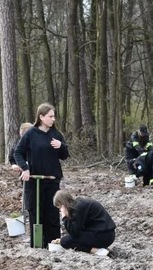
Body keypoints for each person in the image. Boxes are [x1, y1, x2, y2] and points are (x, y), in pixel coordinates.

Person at [13, 104, 69, 247]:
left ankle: (54, 244)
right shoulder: (31, 134)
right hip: (34, 182)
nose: (53, 119)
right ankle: (38, 245)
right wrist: (25, 169)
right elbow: (17, 152)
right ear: (41, 117)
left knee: (52, 214)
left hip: (52, 180)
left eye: (53, 116)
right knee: (36, 213)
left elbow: (64, 156)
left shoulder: (56, 134)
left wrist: (61, 146)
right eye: (50, 116)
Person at [51, 190, 115, 256]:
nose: (60, 211)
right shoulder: (79, 204)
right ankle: (99, 248)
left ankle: (98, 251)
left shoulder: (78, 208)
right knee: (66, 239)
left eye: (59, 208)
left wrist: (64, 217)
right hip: (106, 234)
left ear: (63, 205)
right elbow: (78, 231)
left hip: (103, 236)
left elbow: (74, 232)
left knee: (65, 242)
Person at [9, 122, 34, 223]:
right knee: (27, 195)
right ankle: (27, 211)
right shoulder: (18, 145)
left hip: (38, 174)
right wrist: (14, 165)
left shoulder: (36, 144)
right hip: (25, 175)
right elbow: (12, 157)